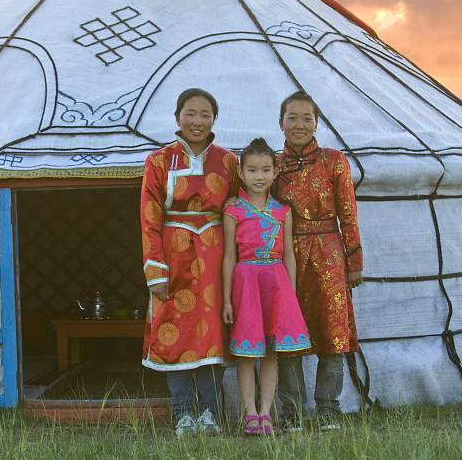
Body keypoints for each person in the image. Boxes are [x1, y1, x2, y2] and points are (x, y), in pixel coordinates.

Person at [140, 88, 241, 437]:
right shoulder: (158, 161)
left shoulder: (229, 161)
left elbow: (239, 212)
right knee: (175, 331)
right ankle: (183, 411)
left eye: (205, 114)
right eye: (190, 113)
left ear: (214, 118)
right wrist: (156, 270)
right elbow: (149, 217)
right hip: (173, 255)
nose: (198, 121)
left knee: (214, 332)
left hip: (215, 254)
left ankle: (211, 412)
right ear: (177, 117)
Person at [274, 90, 364, 432]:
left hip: (329, 253)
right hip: (286, 256)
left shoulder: (333, 159)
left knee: (332, 332)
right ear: (280, 122)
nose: (299, 125)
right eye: (292, 118)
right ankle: (293, 411)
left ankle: (328, 408)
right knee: (288, 332)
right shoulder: (272, 164)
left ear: (317, 122)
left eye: (307, 118)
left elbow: (348, 212)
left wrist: (354, 260)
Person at [221, 138, 311, 436]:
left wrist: (292, 296)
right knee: (247, 353)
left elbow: (288, 254)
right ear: (241, 173)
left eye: (265, 170)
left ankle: (265, 413)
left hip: (276, 284)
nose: (258, 176)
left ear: (275, 172)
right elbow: (229, 257)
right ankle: (249, 413)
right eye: (252, 170)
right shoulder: (233, 212)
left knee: (271, 352)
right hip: (246, 285)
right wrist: (226, 301)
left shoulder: (283, 212)